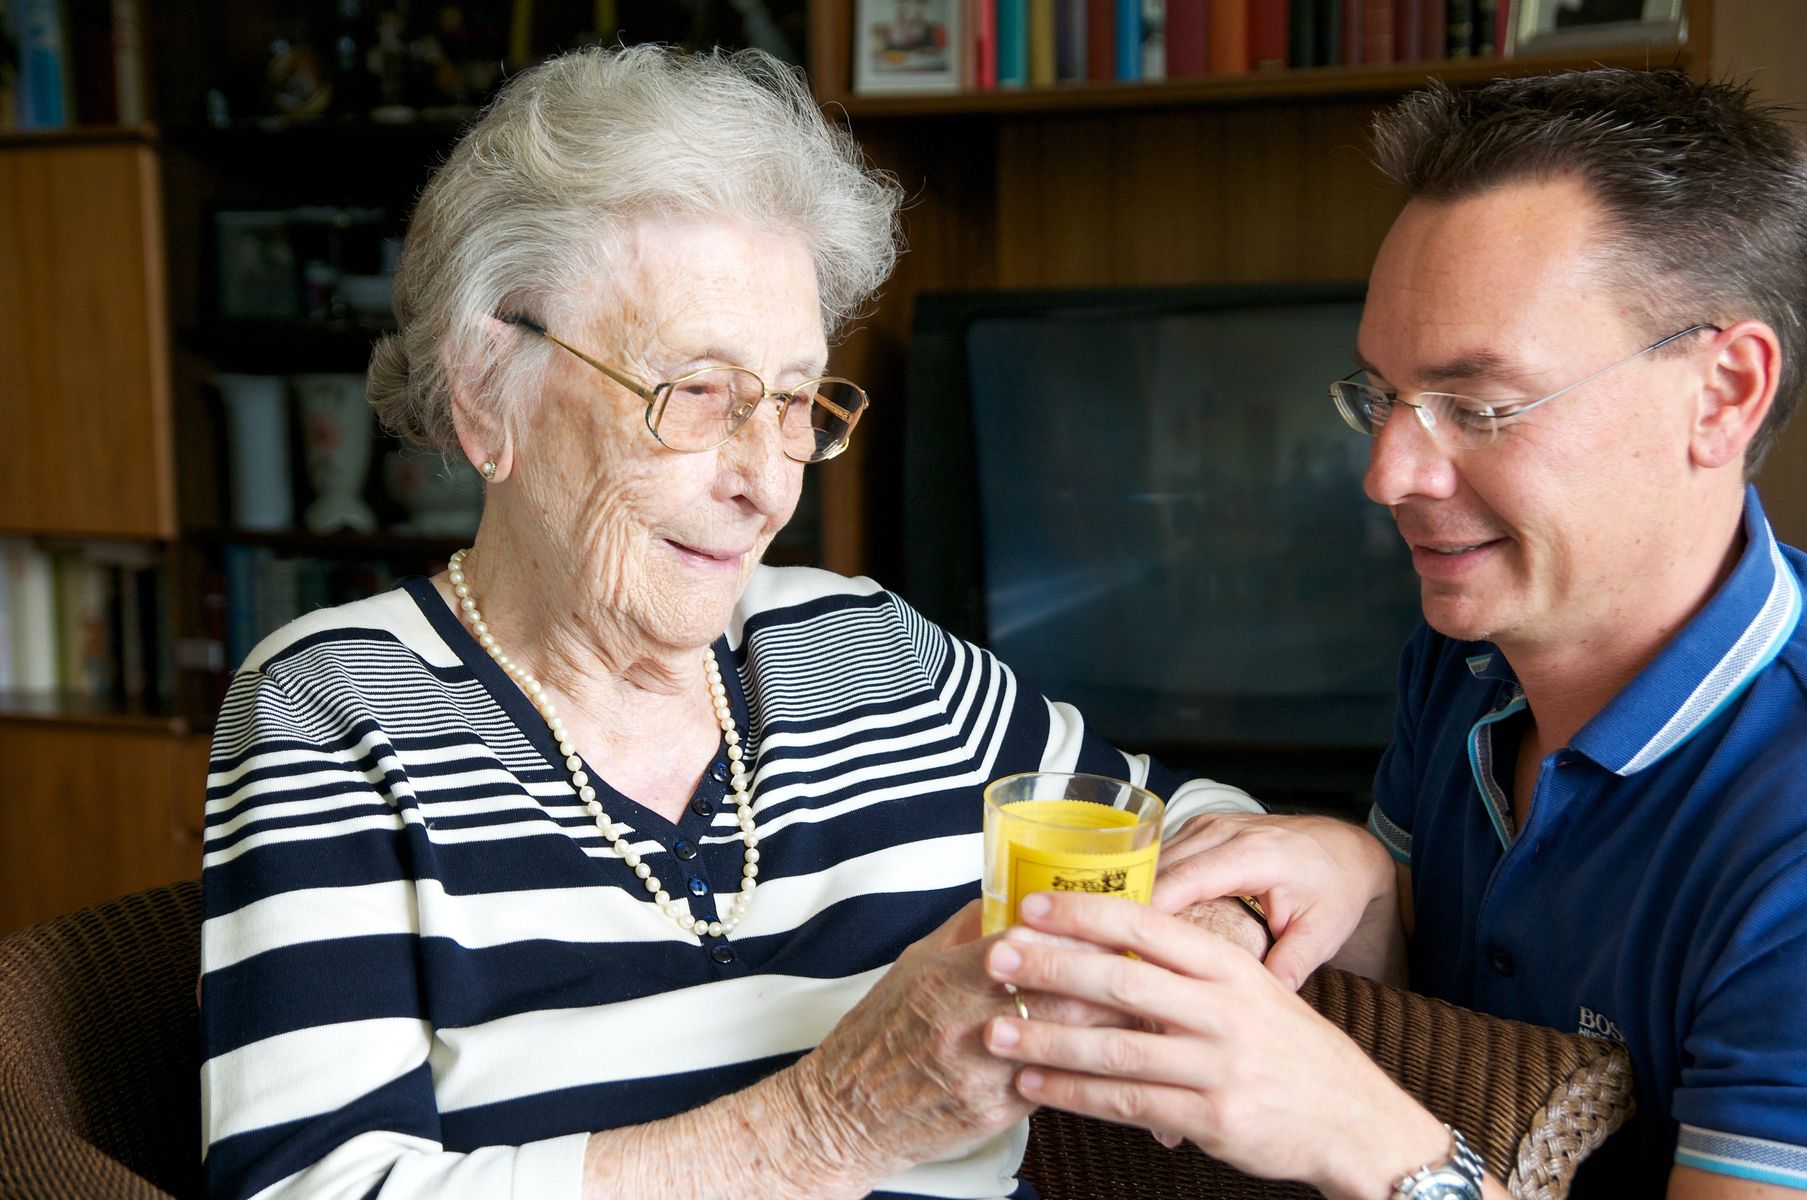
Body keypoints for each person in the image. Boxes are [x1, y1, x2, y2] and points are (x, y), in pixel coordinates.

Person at [196, 44, 1263, 1200]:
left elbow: (1201, 825)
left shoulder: (869, 650)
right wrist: (822, 1129)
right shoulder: (336, 707)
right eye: (696, 393)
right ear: (486, 394)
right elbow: (306, 1188)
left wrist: (1212, 935)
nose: (767, 484)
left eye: (794, 401)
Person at [979, 68, 1807, 1199]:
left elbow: (1377, 1118)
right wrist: (1361, 874)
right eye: (1381, 396)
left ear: (1722, 394)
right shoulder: (1467, 656)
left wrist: (1369, 1146)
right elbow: (1439, 1022)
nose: (1387, 475)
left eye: (1480, 406)